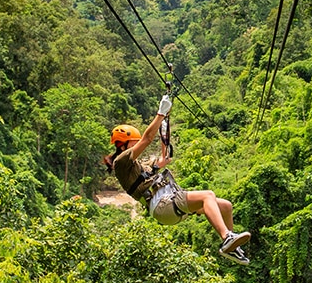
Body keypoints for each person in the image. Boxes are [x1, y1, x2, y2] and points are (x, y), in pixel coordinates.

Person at [103, 94, 251, 264]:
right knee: (207, 195)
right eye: (133, 143)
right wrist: (160, 113)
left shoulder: (137, 167)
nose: (136, 146)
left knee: (226, 206)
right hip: (163, 205)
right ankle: (226, 238)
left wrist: (164, 130)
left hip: (167, 204)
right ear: (122, 145)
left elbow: (159, 160)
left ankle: (232, 247)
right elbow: (147, 139)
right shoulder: (121, 162)